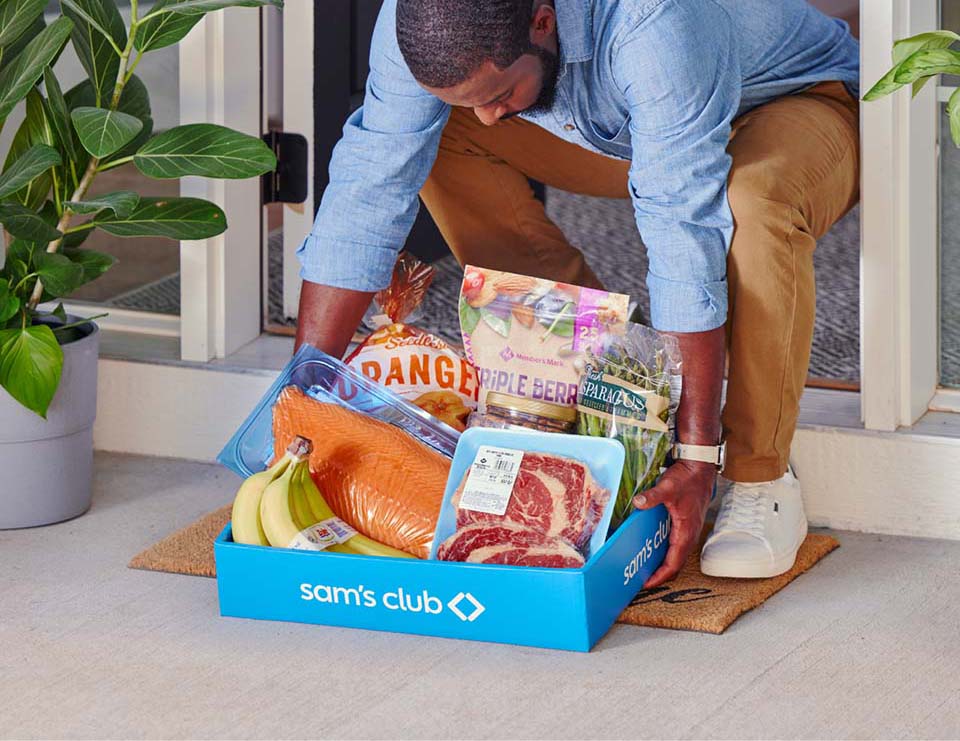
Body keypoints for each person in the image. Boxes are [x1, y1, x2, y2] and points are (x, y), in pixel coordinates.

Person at [294, 0, 860, 586]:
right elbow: (370, 182)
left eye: (500, 92)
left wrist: (696, 457)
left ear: (542, 20)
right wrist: (301, 396)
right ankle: (595, 388)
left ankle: (760, 477)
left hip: (791, 101)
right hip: (644, 119)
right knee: (434, 135)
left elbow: (681, 227)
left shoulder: (653, 21)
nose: (489, 117)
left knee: (750, 202)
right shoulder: (420, 17)